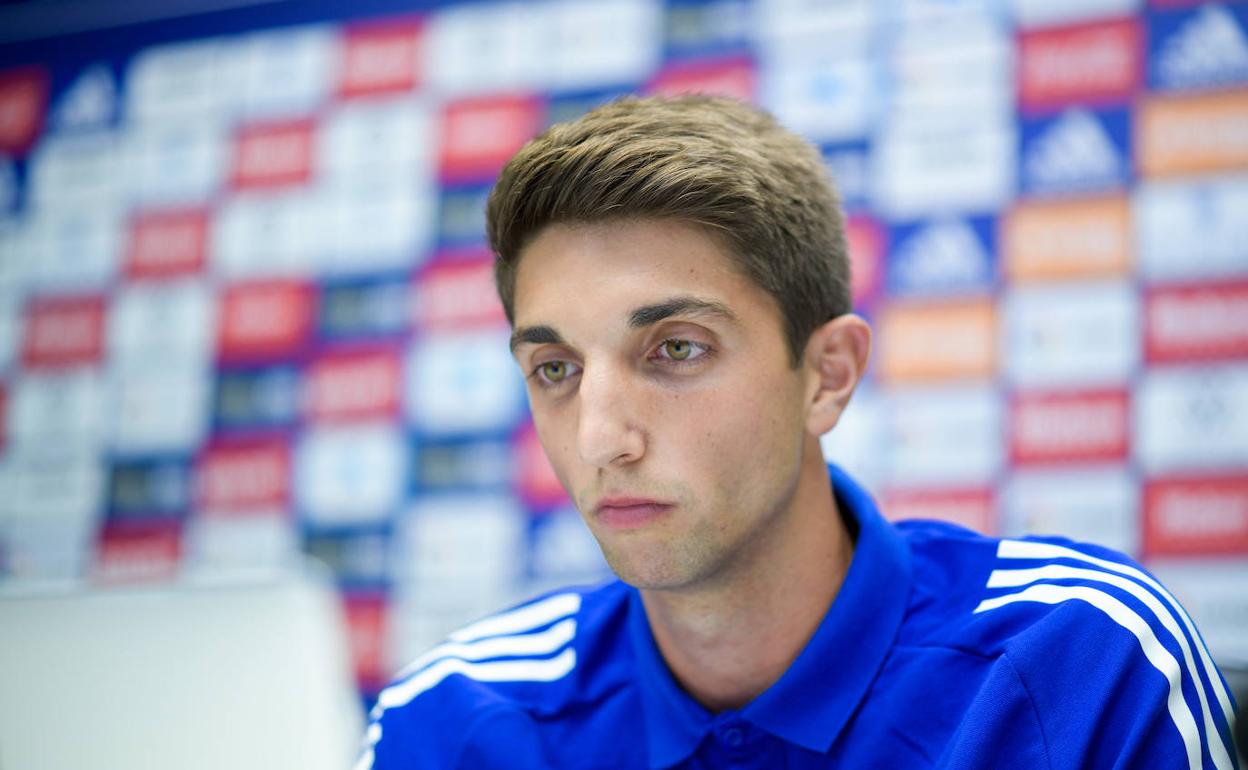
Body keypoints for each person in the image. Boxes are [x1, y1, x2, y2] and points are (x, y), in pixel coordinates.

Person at [355, 95, 1240, 769]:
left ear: (827, 375)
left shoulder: (1079, 657)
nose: (600, 439)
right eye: (556, 368)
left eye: (675, 349)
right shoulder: (455, 720)